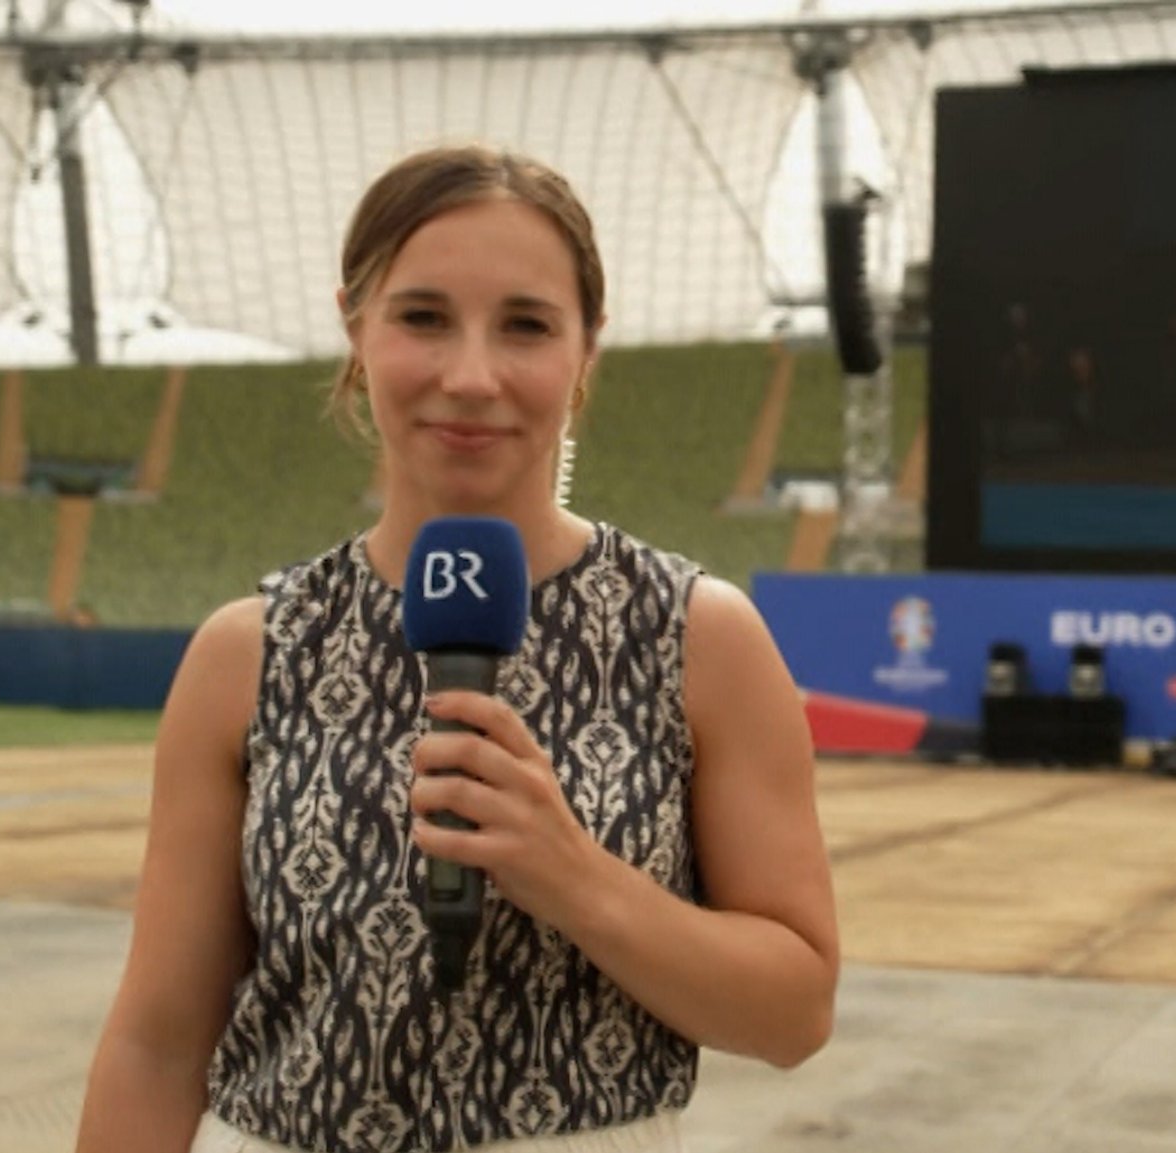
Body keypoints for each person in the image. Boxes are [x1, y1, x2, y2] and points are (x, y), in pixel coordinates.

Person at [72, 145, 839, 1153]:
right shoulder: (247, 654)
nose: (471, 375)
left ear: (586, 350)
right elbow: (159, 1042)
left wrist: (574, 876)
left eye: (525, 325)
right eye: (422, 317)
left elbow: (792, 1014)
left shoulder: (697, 637)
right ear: (356, 327)